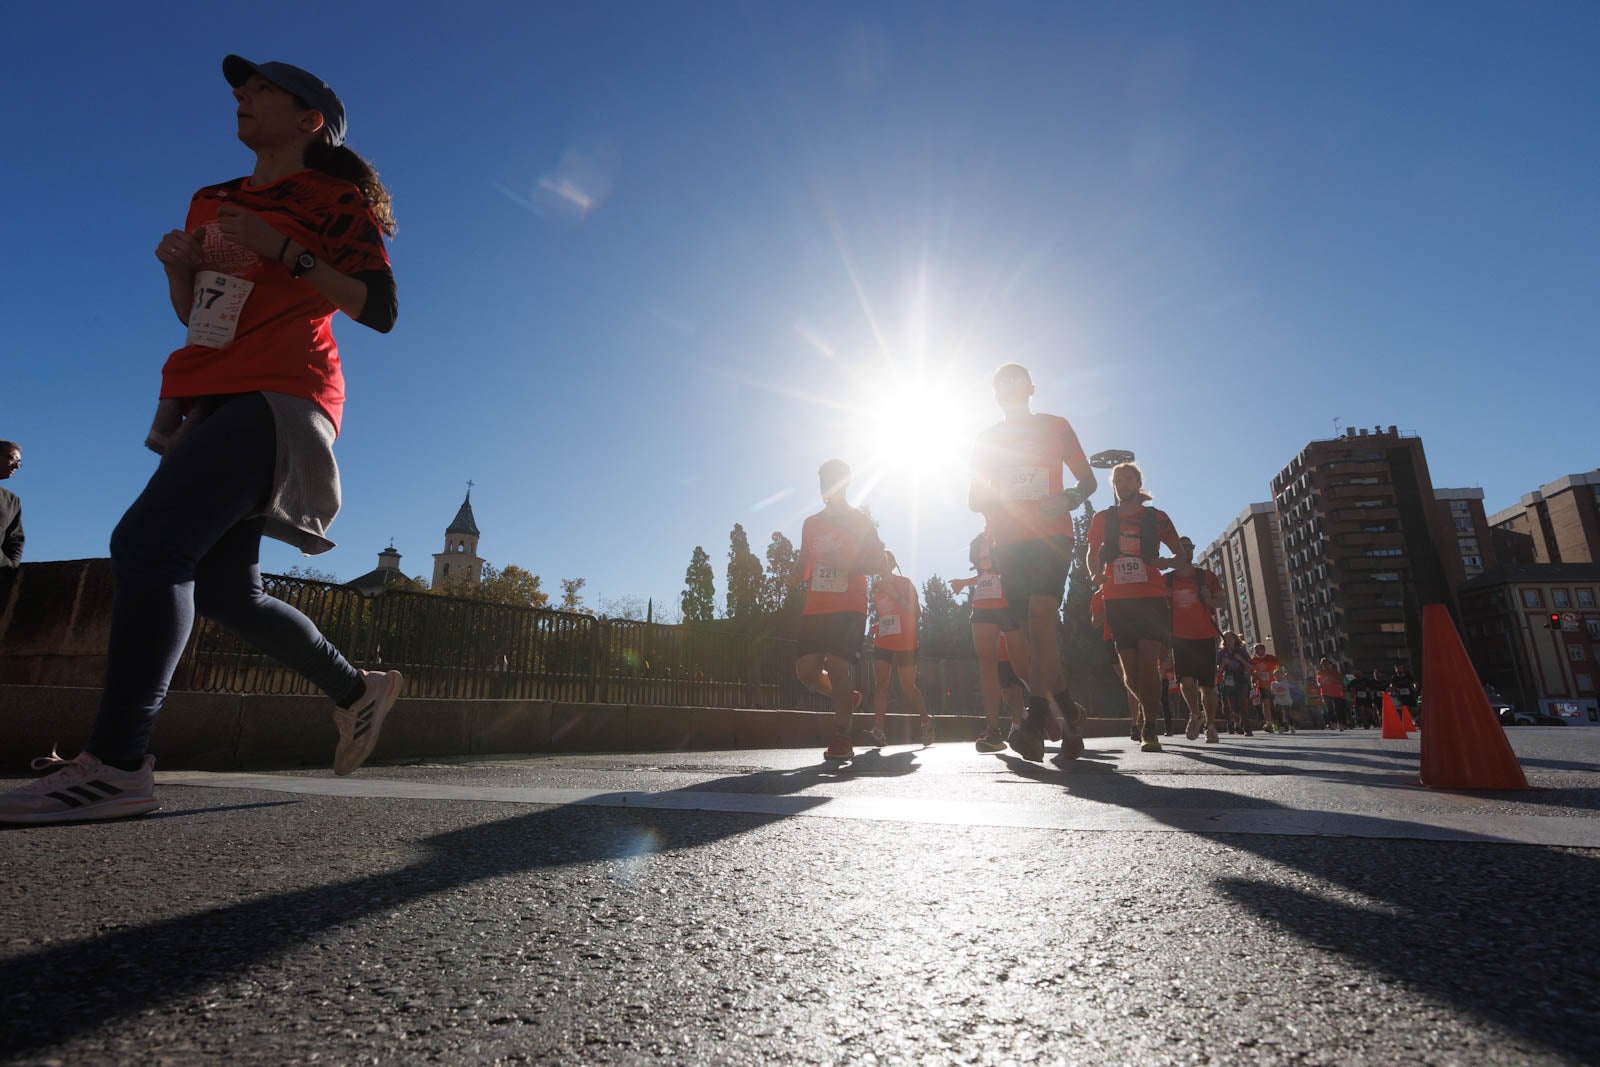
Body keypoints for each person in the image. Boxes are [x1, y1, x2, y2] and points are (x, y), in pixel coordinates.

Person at [0, 57, 403, 826]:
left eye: (259, 91)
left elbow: (378, 308)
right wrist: (179, 274)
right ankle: (357, 689)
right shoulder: (210, 199)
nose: (241, 98)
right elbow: (204, 316)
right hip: (214, 395)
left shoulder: (332, 198)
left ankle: (117, 764)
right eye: (239, 89)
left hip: (285, 392)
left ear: (308, 118)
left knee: (149, 545)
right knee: (223, 589)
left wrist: (288, 250)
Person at [968, 363, 1096, 762]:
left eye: (1016, 378)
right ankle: (1069, 713)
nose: (1008, 385)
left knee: (1041, 619)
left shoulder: (1056, 425)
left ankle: (1036, 721)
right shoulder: (987, 439)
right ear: (995, 393)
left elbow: (1088, 481)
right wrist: (1004, 497)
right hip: (1008, 541)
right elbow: (974, 498)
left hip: (1050, 536)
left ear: (1031, 387)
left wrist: (1068, 499)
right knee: (1030, 644)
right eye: (1000, 381)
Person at [1085, 462, 1187, 753]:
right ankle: (1146, 712)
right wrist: (1094, 573)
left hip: (1150, 595)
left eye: (1128, 479)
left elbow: (1179, 554)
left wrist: (1166, 563)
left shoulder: (1157, 517)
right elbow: (1092, 550)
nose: (1122, 484)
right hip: (1116, 597)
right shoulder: (1103, 518)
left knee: (1149, 663)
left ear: (1138, 483)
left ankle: (1149, 727)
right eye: (1118, 480)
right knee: (1130, 670)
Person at [790, 458, 887, 762]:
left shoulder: (860, 521)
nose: (825, 487)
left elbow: (879, 563)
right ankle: (846, 698)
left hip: (849, 604)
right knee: (806, 670)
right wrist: (793, 574)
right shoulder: (811, 523)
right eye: (821, 482)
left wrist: (849, 565)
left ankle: (842, 736)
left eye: (831, 480)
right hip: (816, 606)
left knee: (836, 665)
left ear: (844, 483)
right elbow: (806, 562)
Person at [951, 530, 1031, 753]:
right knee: (987, 667)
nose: (983, 560)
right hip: (982, 607)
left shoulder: (1006, 540)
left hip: (1008, 606)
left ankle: (1045, 711)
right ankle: (993, 731)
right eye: (980, 558)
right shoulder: (978, 543)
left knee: (1022, 670)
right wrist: (962, 582)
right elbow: (982, 575)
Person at [867, 551, 934, 747]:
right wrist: (877, 626)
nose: (880, 566)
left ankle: (926, 722)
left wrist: (894, 593)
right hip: (884, 640)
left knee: (907, 686)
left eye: (884, 562)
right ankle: (878, 731)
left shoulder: (905, 583)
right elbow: (888, 614)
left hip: (906, 640)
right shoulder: (876, 588)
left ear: (892, 564)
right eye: (877, 562)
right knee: (881, 684)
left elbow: (917, 612)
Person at [1167, 537, 1223, 743]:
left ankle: (1210, 725)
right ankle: (1195, 715)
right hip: (1180, 638)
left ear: (1191, 551)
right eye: (1179, 548)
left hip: (1205, 636)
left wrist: (1209, 599)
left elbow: (1222, 600)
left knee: (1208, 687)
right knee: (1186, 681)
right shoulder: (1168, 580)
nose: (1184, 551)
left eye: (1187, 548)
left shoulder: (1206, 576)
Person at [1217, 631, 1254, 735]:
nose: (1228, 639)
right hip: (1229, 678)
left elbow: (1250, 667)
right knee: (1233, 705)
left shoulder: (1241, 651)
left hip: (1241, 677)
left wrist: (1240, 659)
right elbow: (1219, 671)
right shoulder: (1221, 653)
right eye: (1226, 637)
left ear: (1235, 639)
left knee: (1242, 702)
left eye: (1230, 637)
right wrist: (1223, 664)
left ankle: (1247, 728)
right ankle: (1237, 724)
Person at [1249, 642, 1284, 733]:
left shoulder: (1271, 658)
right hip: (1262, 685)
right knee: (1266, 703)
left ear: (1263, 649)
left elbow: (1280, 666)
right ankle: (1269, 723)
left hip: (1273, 684)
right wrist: (1253, 679)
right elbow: (1251, 672)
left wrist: (1278, 675)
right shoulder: (1253, 660)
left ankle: (1279, 723)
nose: (1256, 651)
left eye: (1258, 649)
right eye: (1255, 649)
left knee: (1277, 704)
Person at [0, 441, 21, 570]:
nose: (17, 466)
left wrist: (9, 565)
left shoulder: (12, 500)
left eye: (19, 462)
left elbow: (15, 538)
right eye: (12, 458)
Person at [1317, 657, 1350, 732]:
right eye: (1323, 664)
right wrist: (1319, 684)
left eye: (1326, 664)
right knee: (1329, 709)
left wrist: (1334, 680)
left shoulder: (1335, 672)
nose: (1324, 665)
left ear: (1329, 664)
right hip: (1325, 693)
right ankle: (1333, 723)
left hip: (1336, 693)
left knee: (1338, 708)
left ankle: (1340, 724)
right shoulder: (1320, 672)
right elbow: (1318, 680)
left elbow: (1341, 681)